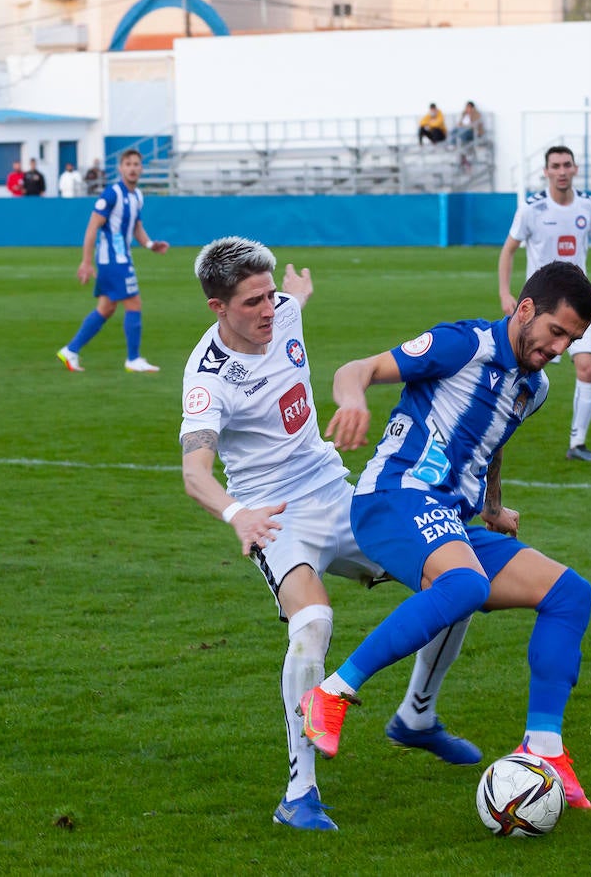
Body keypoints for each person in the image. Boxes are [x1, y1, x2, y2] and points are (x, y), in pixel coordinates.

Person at [182, 236, 480, 831]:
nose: (268, 311)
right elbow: (195, 472)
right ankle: (300, 792)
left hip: (336, 492)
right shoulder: (207, 378)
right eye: (251, 303)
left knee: (457, 577)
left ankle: (417, 715)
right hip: (275, 516)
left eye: (271, 296)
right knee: (313, 626)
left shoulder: (283, 308)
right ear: (218, 308)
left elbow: (287, 300)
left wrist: (295, 293)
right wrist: (236, 513)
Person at [299, 261, 591, 810]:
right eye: (556, 331)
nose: (560, 346)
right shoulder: (462, 344)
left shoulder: (534, 388)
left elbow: (491, 442)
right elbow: (356, 368)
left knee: (569, 593)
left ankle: (545, 748)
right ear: (525, 309)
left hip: (449, 517)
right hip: (393, 497)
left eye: (572, 339)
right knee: (466, 585)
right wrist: (353, 399)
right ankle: (329, 694)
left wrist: (492, 506)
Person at [497, 145, 591, 463]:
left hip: (578, 306)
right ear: (546, 171)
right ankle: (493, 435)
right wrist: (504, 291)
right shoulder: (532, 208)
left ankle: (577, 445)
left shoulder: (587, 206)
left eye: (567, 165)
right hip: (541, 309)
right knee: (519, 373)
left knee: (587, 367)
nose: (562, 171)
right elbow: (508, 249)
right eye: (555, 165)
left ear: (575, 169)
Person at [57, 148, 168, 373]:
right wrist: (86, 262)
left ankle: (70, 351)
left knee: (106, 308)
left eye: (136, 164)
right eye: (128, 164)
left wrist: (149, 244)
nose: (133, 168)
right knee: (134, 303)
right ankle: (133, 359)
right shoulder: (112, 194)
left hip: (121, 257)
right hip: (112, 260)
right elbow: (92, 227)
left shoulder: (137, 196)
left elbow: (137, 226)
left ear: (141, 168)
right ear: (120, 168)